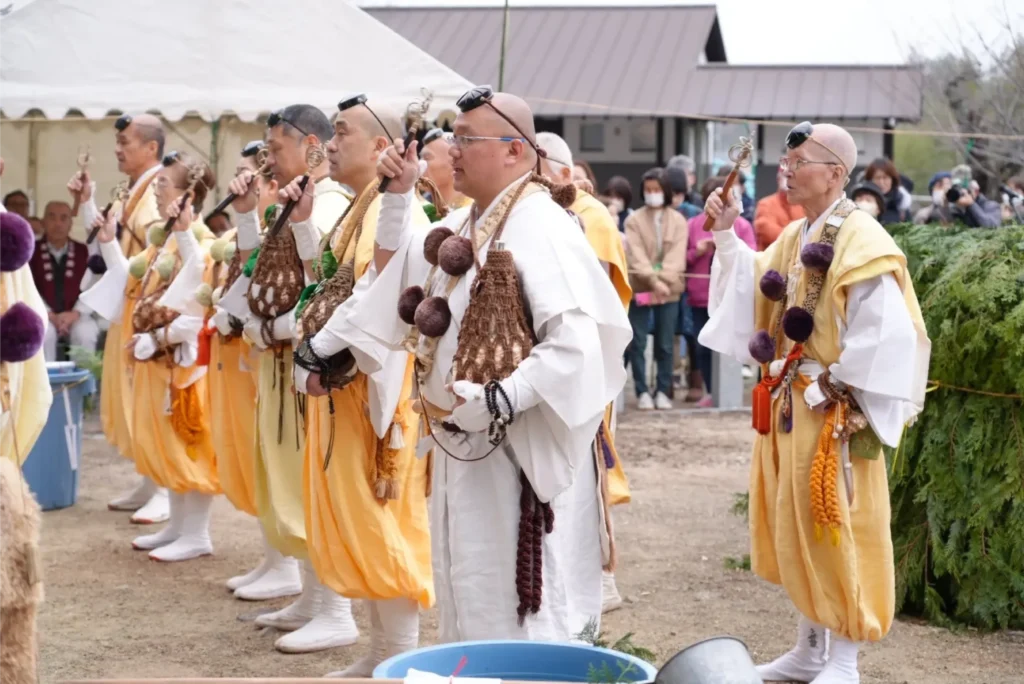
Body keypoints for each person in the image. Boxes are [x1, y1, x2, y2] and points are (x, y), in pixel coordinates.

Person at [310, 86, 631, 642]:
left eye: (466, 140)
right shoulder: (467, 223)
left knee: (517, 597)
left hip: (513, 449)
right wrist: (397, 194)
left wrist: (500, 398)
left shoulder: (542, 224)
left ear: (514, 150)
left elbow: (575, 344)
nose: (451, 151)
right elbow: (395, 275)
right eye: (452, 139)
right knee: (468, 583)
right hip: (462, 444)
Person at [700, 121, 930, 684]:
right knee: (796, 520)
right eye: (786, 161)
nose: (787, 170)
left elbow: (887, 333)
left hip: (834, 407)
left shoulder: (864, 238)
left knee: (838, 520)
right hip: (791, 400)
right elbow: (758, 286)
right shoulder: (797, 234)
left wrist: (836, 383)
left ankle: (845, 659)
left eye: (799, 161)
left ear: (834, 173)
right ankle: (808, 647)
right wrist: (728, 235)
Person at [289, 95, 433, 676]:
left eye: (342, 132)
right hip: (341, 382)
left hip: (373, 388)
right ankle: (380, 650)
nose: (330, 141)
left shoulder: (396, 208)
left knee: (379, 519)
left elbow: (382, 290)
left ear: (382, 147)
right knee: (353, 516)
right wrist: (301, 226)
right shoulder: (360, 205)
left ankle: (400, 653)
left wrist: (321, 353)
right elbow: (323, 283)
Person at [222, 104, 355, 653]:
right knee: (285, 476)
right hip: (279, 359)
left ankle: (337, 609)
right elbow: (256, 271)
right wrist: (248, 214)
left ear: (311, 146)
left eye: (276, 148)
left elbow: (323, 285)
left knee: (310, 480)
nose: (268, 158)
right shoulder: (293, 198)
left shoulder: (330, 203)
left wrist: (272, 324)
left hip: (309, 361)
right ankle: (309, 595)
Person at [84, 150, 221, 561]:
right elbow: (132, 277)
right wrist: (108, 242)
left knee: (188, 444)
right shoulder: (165, 239)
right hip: (157, 359)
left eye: (164, 183)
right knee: (165, 444)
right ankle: (178, 527)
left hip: (182, 362)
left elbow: (199, 309)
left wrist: (157, 338)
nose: (157, 189)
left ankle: (196, 532)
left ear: (187, 193)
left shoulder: (204, 244)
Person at [537, 131, 632, 614]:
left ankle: (603, 577)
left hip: (588, 359)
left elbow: (589, 286)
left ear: (557, 168)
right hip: (548, 361)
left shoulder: (588, 214)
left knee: (592, 467)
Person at [199, 141, 295, 596]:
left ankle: (290, 571)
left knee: (281, 461)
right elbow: (247, 266)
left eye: (249, 173)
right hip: (255, 348)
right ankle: (274, 560)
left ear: (269, 181)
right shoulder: (262, 217)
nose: (240, 179)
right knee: (261, 457)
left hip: (279, 351)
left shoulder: (294, 210)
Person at [71, 113, 169, 525]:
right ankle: (149, 480)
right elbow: (104, 237)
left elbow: (152, 260)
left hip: (150, 307)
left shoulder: (161, 189)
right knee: (127, 397)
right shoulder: (134, 189)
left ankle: (166, 486)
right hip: (127, 303)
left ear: (151, 148)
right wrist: (88, 199)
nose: (118, 148)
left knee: (148, 399)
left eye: (126, 142)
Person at [685, 176, 756, 408]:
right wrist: (697, 251)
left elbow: (751, 258)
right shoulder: (694, 224)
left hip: (733, 297)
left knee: (730, 343)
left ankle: (727, 392)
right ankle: (710, 389)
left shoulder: (743, 226)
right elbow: (683, 258)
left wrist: (725, 240)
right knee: (701, 346)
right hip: (700, 294)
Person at [625, 167, 688, 411]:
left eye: (656, 189)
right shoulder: (634, 220)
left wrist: (664, 282)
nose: (652, 194)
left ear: (666, 191)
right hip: (640, 288)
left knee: (664, 342)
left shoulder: (678, 220)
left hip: (669, 291)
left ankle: (663, 389)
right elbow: (635, 255)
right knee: (638, 342)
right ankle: (641, 390)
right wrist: (654, 281)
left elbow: (677, 257)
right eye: (648, 190)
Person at [29, 201, 99, 361]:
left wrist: (77, 312)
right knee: (43, 333)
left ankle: (82, 384)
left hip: (78, 315)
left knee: (86, 333)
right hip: (42, 314)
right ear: (43, 222)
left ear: (71, 224)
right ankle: (47, 386)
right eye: (52, 217)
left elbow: (93, 285)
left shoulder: (84, 251)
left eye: (63, 218)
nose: (58, 224)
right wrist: (48, 314)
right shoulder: (31, 252)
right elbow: (27, 287)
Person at [914, 167, 1001, 228]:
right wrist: (945, 204)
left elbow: (991, 226)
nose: (963, 194)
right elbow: (948, 228)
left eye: (966, 190)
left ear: (976, 190)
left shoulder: (991, 206)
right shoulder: (955, 209)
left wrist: (971, 205)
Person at [755, 166, 805, 251]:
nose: (789, 180)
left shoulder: (803, 205)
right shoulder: (765, 204)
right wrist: (797, 238)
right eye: (787, 177)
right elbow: (768, 233)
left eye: (793, 177)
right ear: (778, 178)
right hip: (772, 259)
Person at [419, 128, 470, 211]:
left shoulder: (468, 212)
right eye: (420, 157)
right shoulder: (422, 208)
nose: (420, 164)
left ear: (454, 164)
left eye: (427, 158)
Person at [863, 158, 911, 225]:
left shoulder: (901, 206)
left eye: (885, 178)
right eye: (877, 178)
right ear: (869, 180)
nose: (881, 182)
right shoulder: (861, 204)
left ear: (892, 180)